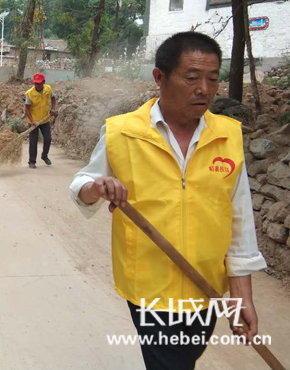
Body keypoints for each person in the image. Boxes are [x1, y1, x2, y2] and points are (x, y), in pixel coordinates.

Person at [70, 32, 267, 370]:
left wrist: (241, 297)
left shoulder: (227, 135)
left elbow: (239, 220)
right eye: (192, 78)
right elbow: (82, 183)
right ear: (159, 77)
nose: (204, 88)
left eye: (212, 78)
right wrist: (98, 187)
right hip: (149, 288)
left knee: (184, 358)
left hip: (206, 287)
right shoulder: (123, 132)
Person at [25, 73, 58, 168]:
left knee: (48, 139)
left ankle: (44, 156)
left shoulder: (48, 89)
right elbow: (26, 109)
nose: (37, 85)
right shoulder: (30, 93)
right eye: (36, 83)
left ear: (44, 82)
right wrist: (32, 121)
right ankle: (32, 161)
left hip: (45, 119)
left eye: (39, 83)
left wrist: (53, 108)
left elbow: (53, 98)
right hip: (33, 121)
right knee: (33, 141)